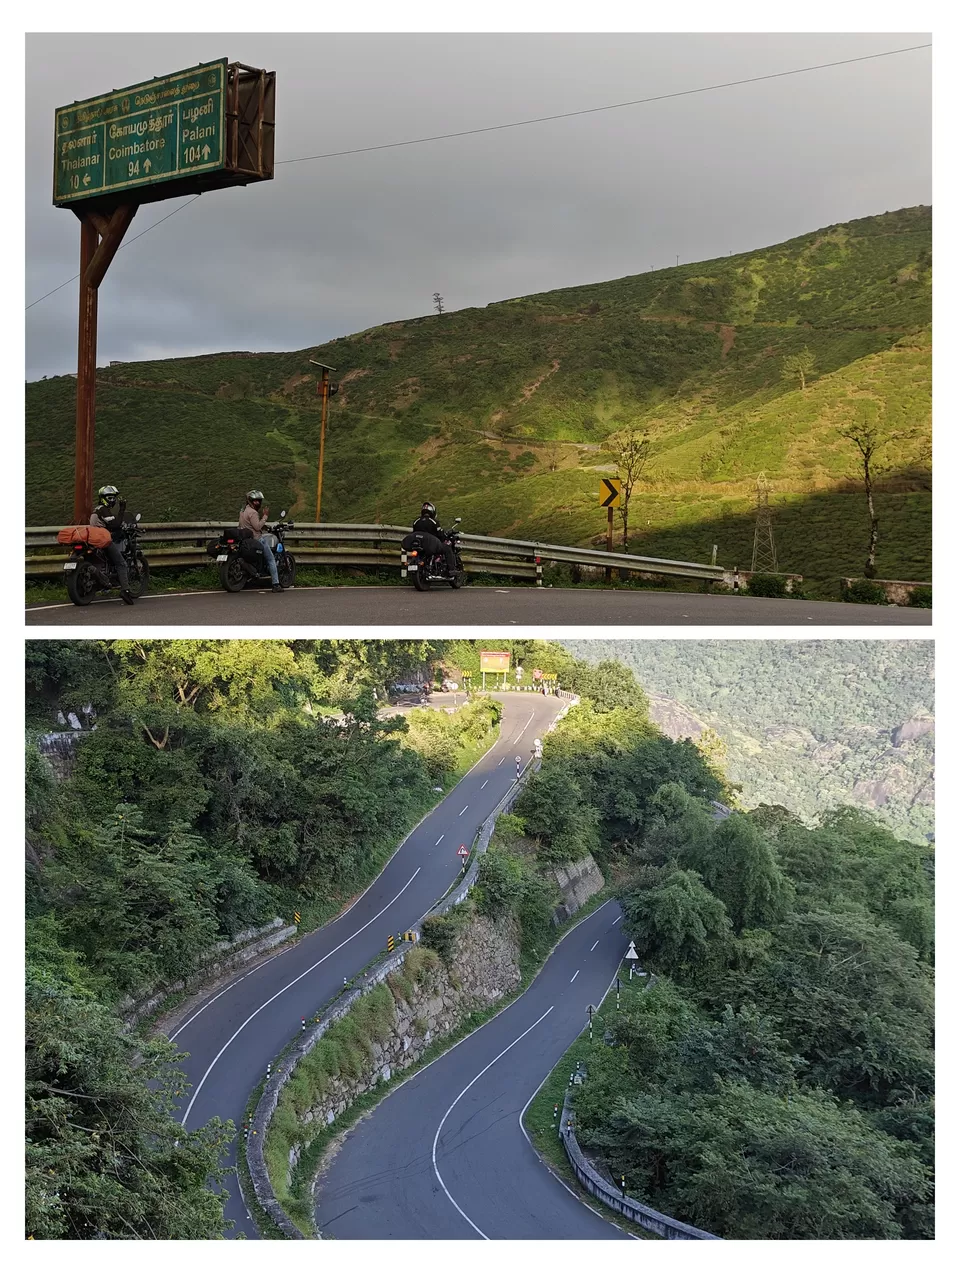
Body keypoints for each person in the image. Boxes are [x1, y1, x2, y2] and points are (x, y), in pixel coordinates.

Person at [90, 485, 134, 604]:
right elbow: (115, 525)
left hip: (93, 539)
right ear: (103, 498)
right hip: (102, 540)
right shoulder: (103, 509)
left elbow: (110, 525)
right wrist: (122, 509)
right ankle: (125, 590)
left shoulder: (97, 510)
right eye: (110, 497)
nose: (113, 500)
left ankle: (105, 583)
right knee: (121, 563)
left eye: (113, 497)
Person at [239, 489, 282, 592]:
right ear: (250, 500)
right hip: (257, 539)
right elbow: (257, 527)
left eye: (259, 500)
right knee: (271, 559)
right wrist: (265, 516)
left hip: (246, 539)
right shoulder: (253, 513)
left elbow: (246, 525)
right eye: (255, 501)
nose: (257, 502)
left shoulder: (243, 511)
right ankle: (276, 584)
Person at [411, 501, 457, 575]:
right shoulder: (434, 522)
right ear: (432, 511)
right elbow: (440, 535)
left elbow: (414, 533)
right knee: (447, 548)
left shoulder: (416, 521)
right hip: (431, 545)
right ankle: (451, 570)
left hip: (419, 544)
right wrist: (444, 538)